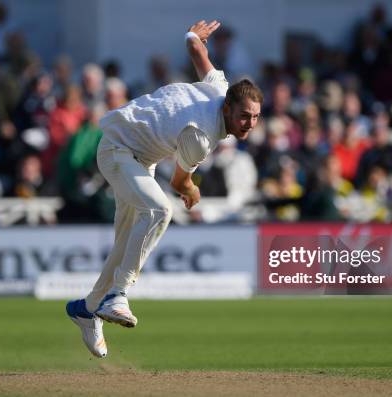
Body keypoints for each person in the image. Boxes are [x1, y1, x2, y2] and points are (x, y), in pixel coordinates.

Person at [66, 20, 263, 358]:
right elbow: (179, 183)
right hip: (116, 150)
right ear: (228, 108)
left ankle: (87, 309)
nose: (250, 124)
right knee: (161, 210)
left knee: (127, 240)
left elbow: (197, 52)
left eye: (256, 117)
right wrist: (192, 191)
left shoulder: (220, 87)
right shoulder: (200, 135)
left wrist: (193, 36)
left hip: (142, 156)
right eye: (245, 116)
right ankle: (119, 294)